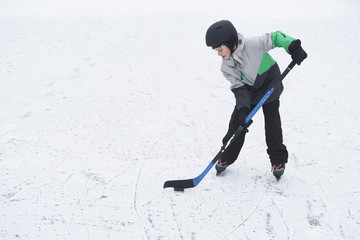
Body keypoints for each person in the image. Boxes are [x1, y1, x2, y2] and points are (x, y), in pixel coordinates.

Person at [205, 20, 307, 179]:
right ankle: (225, 155)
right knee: (237, 124)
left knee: (272, 123)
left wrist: (292, 46)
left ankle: (278, 160)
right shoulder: (226, 67)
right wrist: (243, 109)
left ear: (231, 43)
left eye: (220, 49)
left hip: (270, 86)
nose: (219, 54)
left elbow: (276, 37)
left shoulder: (253, 45)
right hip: (249, 92)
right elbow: (239, 89)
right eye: (216, 51)